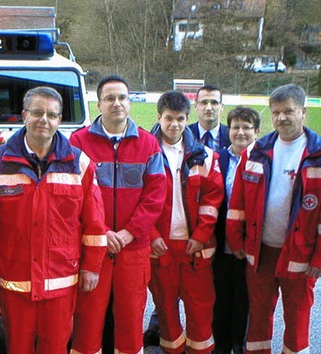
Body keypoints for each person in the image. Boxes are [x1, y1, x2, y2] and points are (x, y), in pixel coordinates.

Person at [0, 86, 107, 353]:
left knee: (56, 347)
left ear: (60, 120)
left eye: (52, 114)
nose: (44, 120)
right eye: (37, 113)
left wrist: (92, 266)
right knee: (18, 346)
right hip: (14, 278)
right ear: (24, 115)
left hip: (61, 279)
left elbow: (94, 222)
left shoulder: (80, 163)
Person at [69, 76, 166, 354]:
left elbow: (154, 198)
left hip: (133, 249)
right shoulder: (78, 142)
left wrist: (127, 233)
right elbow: (74, 196)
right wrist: (101, 234)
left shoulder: (148, 145)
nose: (117, 103)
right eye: (110, 98)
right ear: (98, 103)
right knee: (87, 321)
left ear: (130, 103)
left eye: (122, 97)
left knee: (130, 321)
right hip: (92, 249)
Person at [227, 84, 321, 353]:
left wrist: (319, 257)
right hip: (261, 251)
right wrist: (236, 240)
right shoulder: (256, 151)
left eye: (289, 111)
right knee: (258, 315)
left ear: (303, 112)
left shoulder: (317, 155)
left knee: (297, 316)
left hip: (300, 253)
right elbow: (238, 203)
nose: (282, 118)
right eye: (276, 112)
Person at [149, 90, 223, 354]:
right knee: (166, 309)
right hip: (161, 246)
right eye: (169, 118)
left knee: (201, 307)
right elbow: (140, 201)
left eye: (180, 119)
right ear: (159, 117)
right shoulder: (146, 153)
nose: (175, 125)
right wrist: (151, 235)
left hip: (196, 247)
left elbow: (212, 200)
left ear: (187, 118)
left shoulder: (204, 155)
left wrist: (201, 235)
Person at [211, 106, 260, 354]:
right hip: (219, 243)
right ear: (228, 130)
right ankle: (220, 345)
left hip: (249, 245)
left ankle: (238, 345)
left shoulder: (263, 160)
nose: (240, 132)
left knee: (243, 300)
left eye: (246, 128)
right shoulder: (216, 158)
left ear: (257, 132)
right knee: (219, 299)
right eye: (235, 127)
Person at [187, 85, 231, 150]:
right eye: (204, 102)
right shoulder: (186, 134)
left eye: (214, 103)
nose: (208, 108)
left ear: (222, 107)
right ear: (196, 106)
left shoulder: (231, 135)